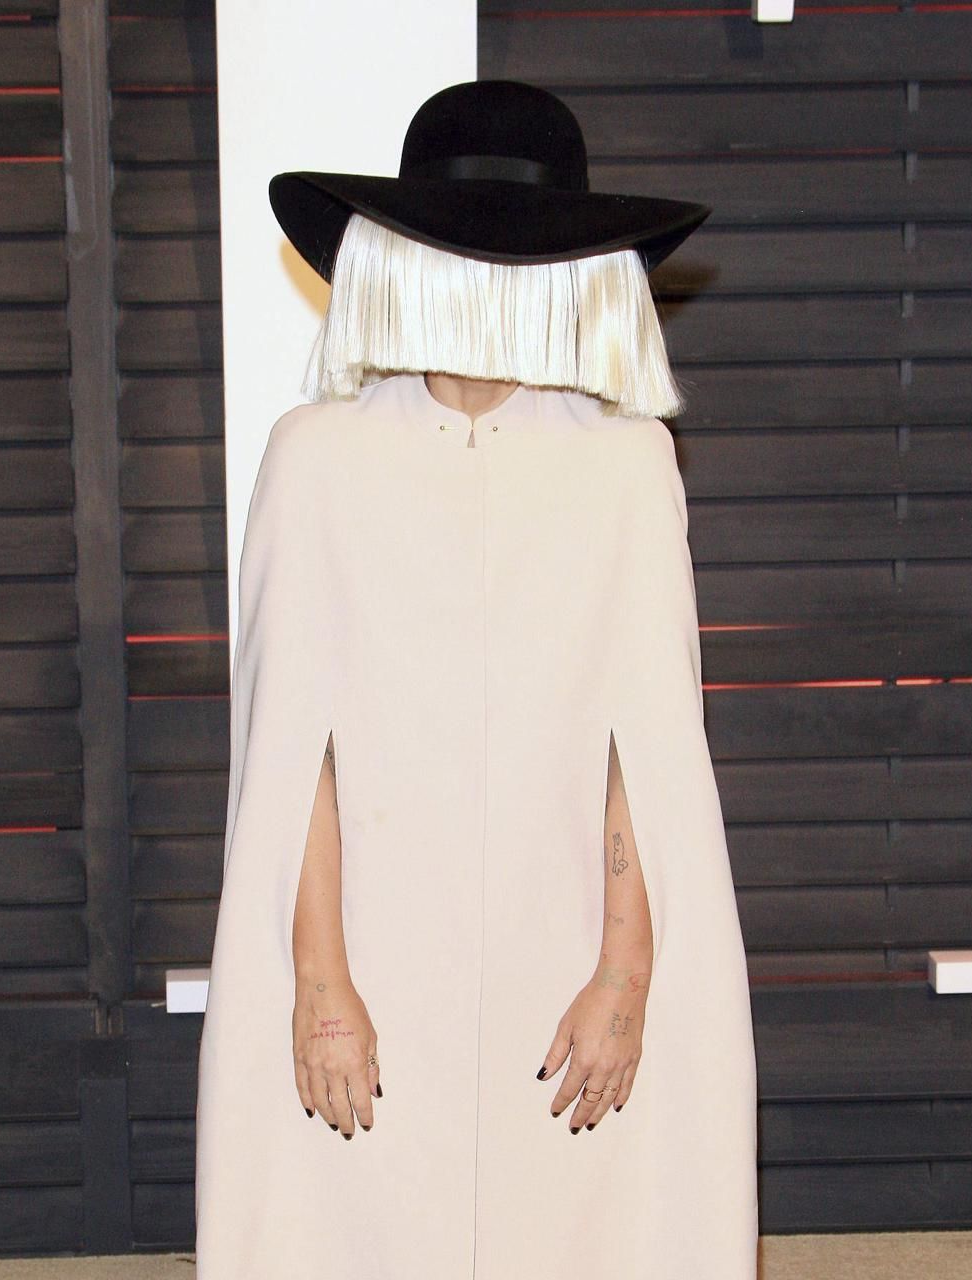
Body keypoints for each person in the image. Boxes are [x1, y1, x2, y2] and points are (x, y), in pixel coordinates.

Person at [195, 79, 758, 1280]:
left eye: (528, 257)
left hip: (565, 945)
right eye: (464, 251)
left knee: (591, 1230)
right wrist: (319, 979)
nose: (494, 282)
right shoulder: (316, 459)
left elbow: (650, 755)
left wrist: (624, 973)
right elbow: (292, 757)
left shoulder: (625, 466)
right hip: (373, 944)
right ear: (403, 264)